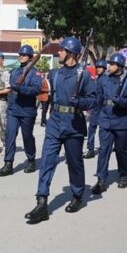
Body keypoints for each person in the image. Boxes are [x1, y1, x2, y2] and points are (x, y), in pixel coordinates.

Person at [26, 37, 97, 223]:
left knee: (74, 163)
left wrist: (81, 102)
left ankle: (77, 195)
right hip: (55, 122)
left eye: (62, 50)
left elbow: (93, 100)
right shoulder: (55, 74)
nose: (59, 53)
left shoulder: (85, 75)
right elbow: (48, 96)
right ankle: (42, 202)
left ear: (71, 53)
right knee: (47, 161)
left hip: (74, 124)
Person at [90, 53, 127, 193]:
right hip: (105, 120)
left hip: (122, 120)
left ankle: (124, 174)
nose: (109, 66)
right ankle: (101, 179)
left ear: (120, 66)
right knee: (104, 150)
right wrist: (95, 118)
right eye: (109, 64)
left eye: (112, 64)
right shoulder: (103, 80)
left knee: (122, 150)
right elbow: (98, 99)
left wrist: (121, 101)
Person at [0, 45, 42, 176]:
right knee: (10, 136)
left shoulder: (35, 73)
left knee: (27, 136)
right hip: (13, 109)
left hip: (27, 110)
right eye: (20, 54)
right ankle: (8, 164)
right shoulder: (15, 72)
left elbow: (36, 90)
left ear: (30, 57)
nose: (21, 56)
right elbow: (11, 88)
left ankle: (31, 160)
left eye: (24, 55)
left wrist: (21, 89)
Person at [83, 60, 106, 159]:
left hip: (103, 108)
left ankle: (103, 148)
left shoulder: (106, 80)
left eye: (100, 67)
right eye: (97, 67)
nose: (98, 69)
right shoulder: (95, 79)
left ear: (104, 69)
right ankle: (91, 149)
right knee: (91, 128)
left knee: (103, 130)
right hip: (95, 107)